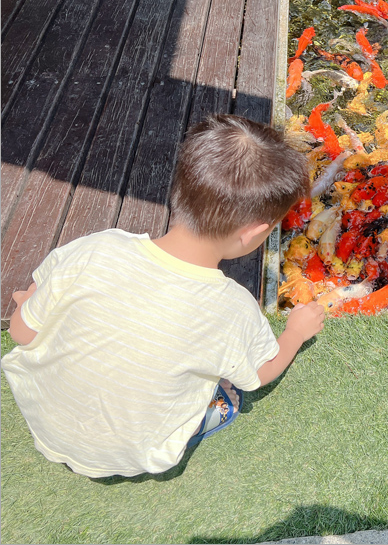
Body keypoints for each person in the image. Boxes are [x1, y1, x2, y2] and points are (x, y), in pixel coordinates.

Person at [1, 114, 324, 478]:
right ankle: (208, 416)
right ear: (253, 234)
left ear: (177, 189)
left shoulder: (97, 248)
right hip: (132, 453)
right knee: (230, 389)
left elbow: (21, 333)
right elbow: (261, 372)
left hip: (45, 420)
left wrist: (31, 302)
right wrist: (295, 331)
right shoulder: (231, 307)